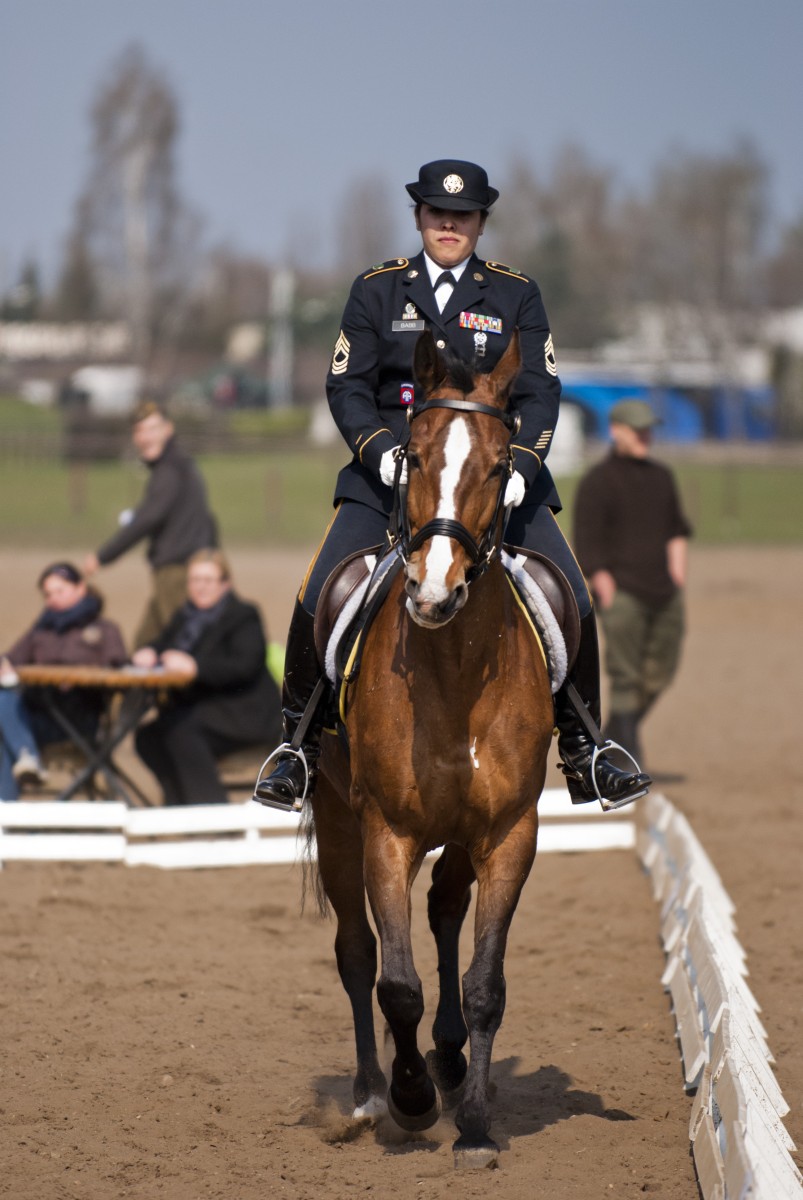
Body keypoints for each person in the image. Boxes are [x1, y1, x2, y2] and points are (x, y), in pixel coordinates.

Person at [255, 158, 650, 812]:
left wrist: (521, 465)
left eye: (460, 217)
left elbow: (541, 392)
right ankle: (296, 746)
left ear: (479, 223)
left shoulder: (513, 293)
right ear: (418, 217)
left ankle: (586, 751)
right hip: (388, 479)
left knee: (570, 592)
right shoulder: (376, 289)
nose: (448, 225)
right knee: (322, 586)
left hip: (492, 480)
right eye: (437, 214)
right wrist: (379, 452)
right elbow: (347, 386)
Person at [572, 398, 692, 765]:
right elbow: (586, 538)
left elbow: (676, 528)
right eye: (637, 430)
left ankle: (613, 737)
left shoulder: (661, 476)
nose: (644, 436)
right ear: (616, 431)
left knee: (661, 673)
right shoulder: (597, 481)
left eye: (647, 429)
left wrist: (677, 571)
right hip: (621, 593)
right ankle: (624, 755)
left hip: (664, 591)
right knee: (625, 676)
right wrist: (601, 578)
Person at [133, 549, 281, 806]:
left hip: (246, 715)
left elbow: (244, 665)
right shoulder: (186, 616)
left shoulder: (243, 615)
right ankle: (178, 806)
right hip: (205, 711)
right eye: (194, 580)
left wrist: (195, 668)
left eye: (207, 580)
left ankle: (213, 812)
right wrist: (149, 652)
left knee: (181, 729)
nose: (200, 587)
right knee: (148, 736)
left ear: (225, 583)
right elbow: (164, 644)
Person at [84, 401, 218, 649]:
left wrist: (102, 556)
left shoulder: (169, 470)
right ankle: (137, 688)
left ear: (168, 429)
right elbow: (209, 520)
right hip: (180, 568)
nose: (145, 437)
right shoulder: (183, 465)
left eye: (152, 429)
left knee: (180, 647)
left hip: (177, 572)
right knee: (145, 646)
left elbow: (147, 519)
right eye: (139, 431)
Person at [0, 562, 127, 801]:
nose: (53, 599)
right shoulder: (41, 631)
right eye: (48, 594)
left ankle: (25, 763)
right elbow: (11, 658)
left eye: (60, 591)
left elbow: (119, 669)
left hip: (80, 720)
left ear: (80, 589)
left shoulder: (104, 630)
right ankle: (7, 816)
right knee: (3, 699)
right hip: (40, 715)